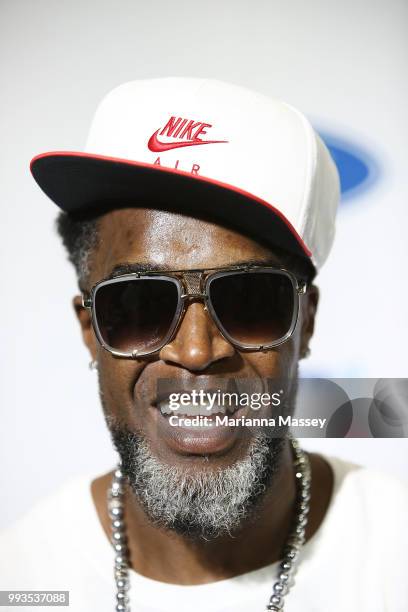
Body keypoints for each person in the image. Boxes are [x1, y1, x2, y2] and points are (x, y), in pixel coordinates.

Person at [1, 78, 407, 612]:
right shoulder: (25, 578)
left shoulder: (393, 558)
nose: (196, 352)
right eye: (140, 304)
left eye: (249, 299)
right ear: (90, 330)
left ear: (305, 324)